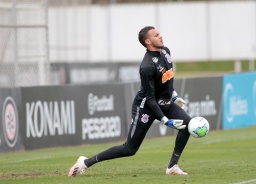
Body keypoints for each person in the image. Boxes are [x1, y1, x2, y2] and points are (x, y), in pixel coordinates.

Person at [68, 26, 191, 176]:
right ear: (147, 41)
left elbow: (167, 79)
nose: (160, 36)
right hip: (146, 107)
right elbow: (150, 98)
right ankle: (85, 162)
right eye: (156, 35)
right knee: (129, 149)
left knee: (187, 124)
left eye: (159, 33)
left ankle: (172, 166)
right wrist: (165, 121)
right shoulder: (146, 66)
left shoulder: (166, 52)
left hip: (164, 102)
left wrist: (175, 96)